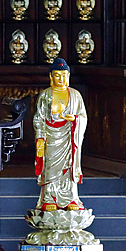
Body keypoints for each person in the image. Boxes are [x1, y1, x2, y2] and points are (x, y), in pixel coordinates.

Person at [34, 58, 87, 211]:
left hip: (69, 135)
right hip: (51, 137)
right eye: (57, 75)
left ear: (68, 76)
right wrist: (40, 137)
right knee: (51, 167)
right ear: (51, 77)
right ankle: (49, 198)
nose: (61, 78)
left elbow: (83, 116)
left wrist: (75, 119)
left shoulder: (75, 95)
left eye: (64, 75)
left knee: (68, 168)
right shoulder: (46, 95)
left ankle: (70, 198)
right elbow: (39, 117)